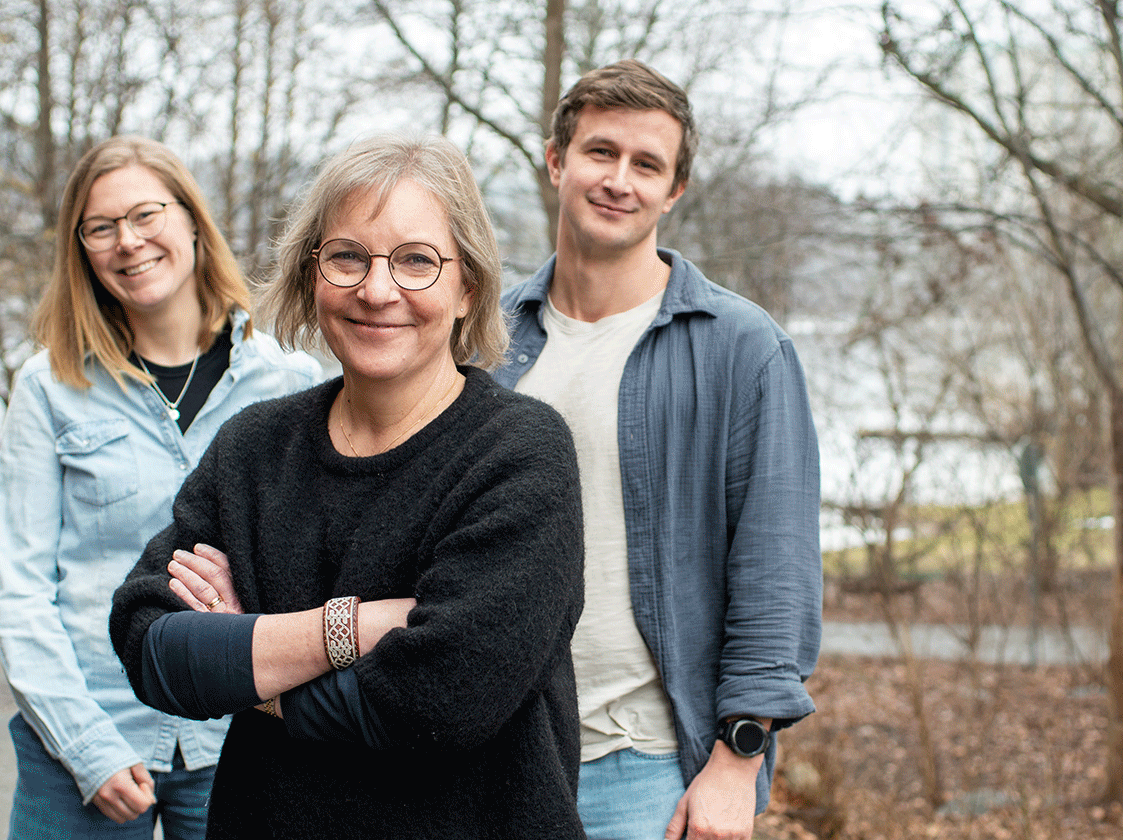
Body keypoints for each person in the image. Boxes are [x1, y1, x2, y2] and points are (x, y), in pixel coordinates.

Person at [108, 132, 587, 839]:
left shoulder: (519, 452)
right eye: (347, 257)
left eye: (417, 261)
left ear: (468, 288)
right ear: (312, 275)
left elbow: (441, 700)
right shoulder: (255, 448)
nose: (377, 289)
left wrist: (247, 660)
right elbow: (151, 649)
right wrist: (356, 628)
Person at [491, 59, 822, 840]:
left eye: (647, 165)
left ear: (674, 191)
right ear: (555, 161)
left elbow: (776, 571)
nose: (619, 180)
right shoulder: (487, 342)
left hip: (643, 771)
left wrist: (737, 762)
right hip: (492, 758)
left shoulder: (743, 349)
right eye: (601, 152)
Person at [0, 135, 322, 839]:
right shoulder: (48, 388)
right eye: (100, 228)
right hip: (86, 744)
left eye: (146, 215)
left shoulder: (288, 381)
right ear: (80, 250)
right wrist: (85, 747)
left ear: (192, 220)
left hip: (240, 736)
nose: (128, 242)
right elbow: (20, 592)